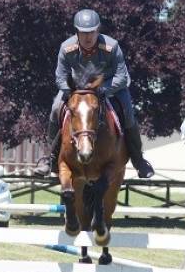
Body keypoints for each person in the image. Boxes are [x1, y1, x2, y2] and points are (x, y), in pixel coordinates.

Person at [34, 9, 154, 178]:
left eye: (91, 32)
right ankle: (50, 159)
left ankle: (139, 160)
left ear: (98, 30)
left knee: (127, 112)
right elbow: (60, 78)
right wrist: (73, 93)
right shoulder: (66, 48)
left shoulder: (112, 47)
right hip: (76, 91)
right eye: (83, 33)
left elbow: (122, 76)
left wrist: (103, 90)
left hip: (111, 89)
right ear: (77, 32)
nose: (88, 37)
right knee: (55, 108)